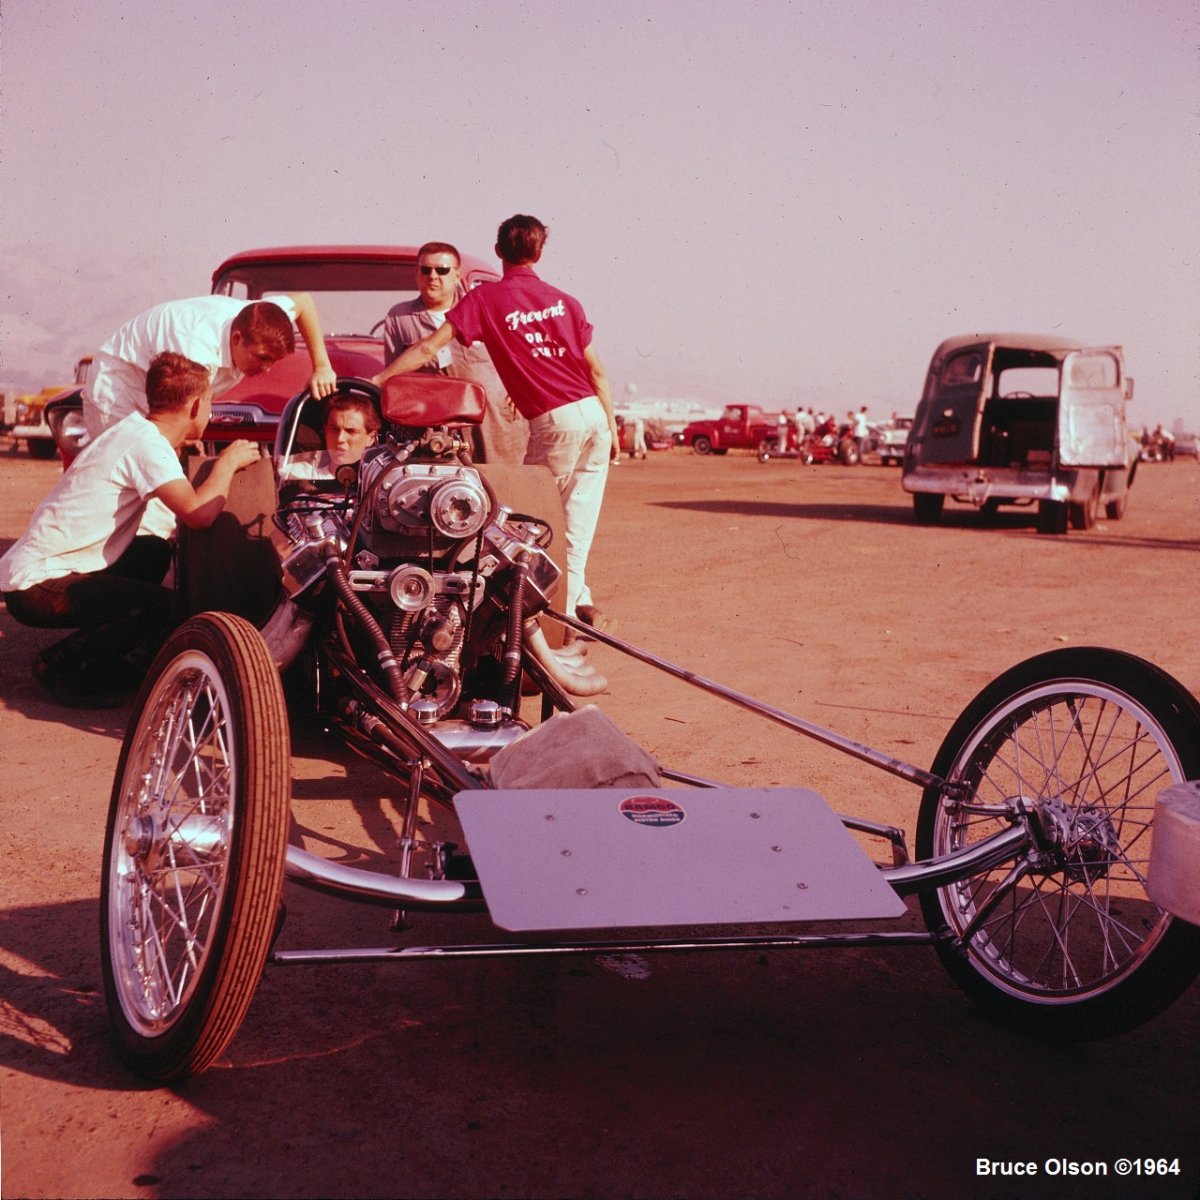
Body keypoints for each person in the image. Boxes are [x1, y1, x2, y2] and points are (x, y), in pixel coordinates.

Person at [374, 214, 619, 631]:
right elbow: (595, 371)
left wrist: (374, 383)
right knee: (575, 526)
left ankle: (530, 622)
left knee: (528, 523)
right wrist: (612, 429)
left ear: (499, 251)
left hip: (554, 420)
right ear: (540, 252)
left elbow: (428, 348)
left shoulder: (485, 300)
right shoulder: (566, 301)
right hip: (593, 415)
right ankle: (572, 610)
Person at [1, 352, 264, 707]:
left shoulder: (138, 432)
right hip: (36, 586)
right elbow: (198, 514)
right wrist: (228, 463)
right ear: (195, 405)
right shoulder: (147, 446)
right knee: (163, 608)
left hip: (38, 575)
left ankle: (109, 647)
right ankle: (62, 666)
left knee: (151, 552)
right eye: (209, 402)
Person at [382, 242, 528, 465]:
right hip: (434, 424)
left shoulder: (483, 305)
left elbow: (521, 348)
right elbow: (394, 378)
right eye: (426, 269)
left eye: (442, 270)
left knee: (503, 482)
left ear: (456, 275)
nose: (433, 276)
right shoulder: (399, 317)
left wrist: (520, 385)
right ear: (417, 273)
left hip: (493, 419)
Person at [278, 393, 381, 481]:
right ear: (326, 431)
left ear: (371, 438)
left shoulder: (382, 482)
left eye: (351, 431)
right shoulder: (297, 475)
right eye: (334, 429)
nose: (340, 439)